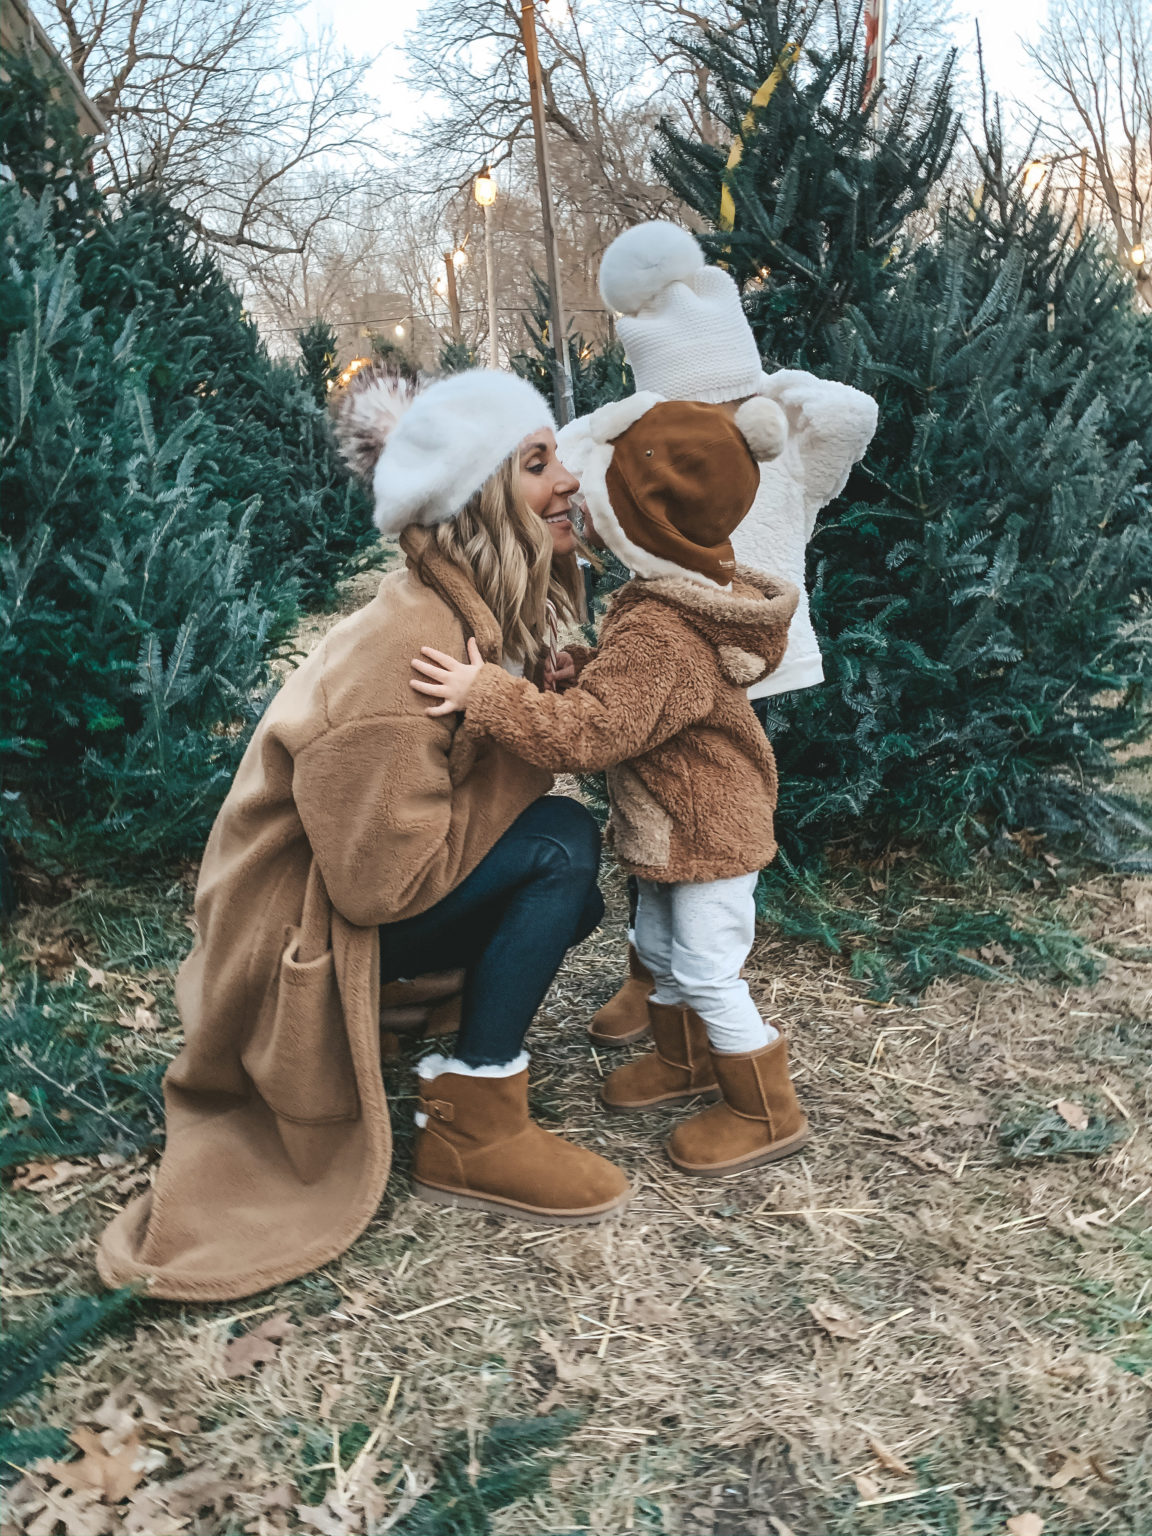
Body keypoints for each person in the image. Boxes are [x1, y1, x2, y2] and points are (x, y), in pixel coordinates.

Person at [97, 368, 629, 1304]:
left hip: (355, 899)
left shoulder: (480, 610)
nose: (568, 481)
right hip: (298, 935)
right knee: (558, 848)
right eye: (537, 464)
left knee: (568, 884)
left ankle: (421, 1028)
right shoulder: (413, 646)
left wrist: (523, 700)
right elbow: (378, 887)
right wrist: (506, 725)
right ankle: (473, 1118)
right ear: (476, 505)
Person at [412, 389, 809, 1177]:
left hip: (708, 831)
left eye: (604, 501)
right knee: (660, 950)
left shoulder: (662, 628)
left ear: (644, 523)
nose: (579, 503)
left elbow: (595, 734)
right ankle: (683, 1059)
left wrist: (489, 695)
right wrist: (588, 672)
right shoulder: (667, 605)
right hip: (678, 824)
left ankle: (766, 1108)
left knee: (704, 969)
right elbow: (644, 703)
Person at [585, 222, 879, 1050]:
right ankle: (656, 977)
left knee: (708, 805)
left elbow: (850, 422)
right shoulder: (658, 456)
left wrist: (789, 391)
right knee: (654, 800)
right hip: (672, 652)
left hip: (756, 658)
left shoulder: (782, 454)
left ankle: (690, 981)